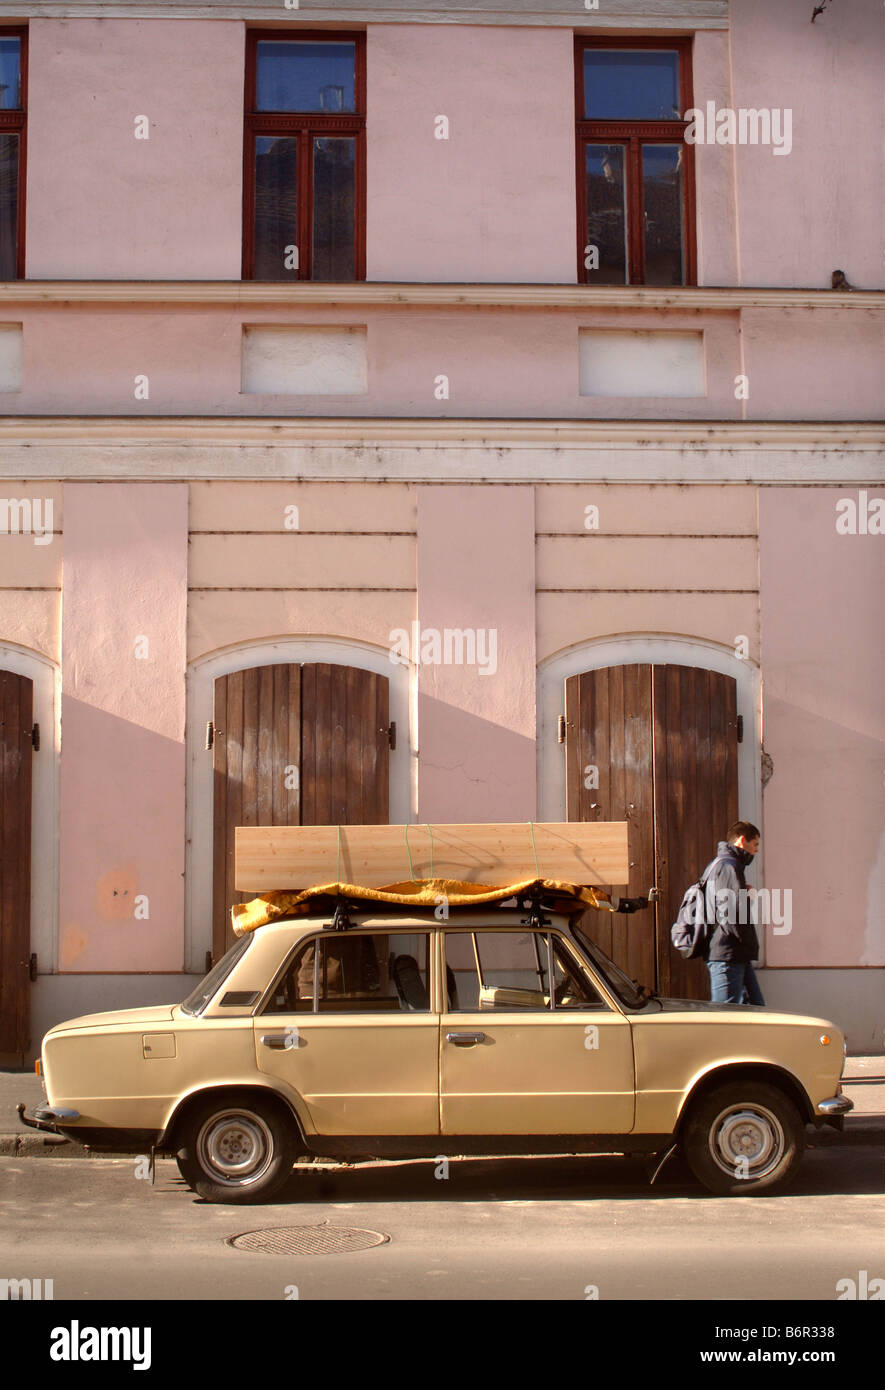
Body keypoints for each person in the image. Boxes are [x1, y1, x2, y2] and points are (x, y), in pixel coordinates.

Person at [703, 820, 765, 1005]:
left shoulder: (726, 865)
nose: (756, 850)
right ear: (742, 840)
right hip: (728, 953)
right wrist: (745, 897)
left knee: (756, 1011)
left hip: (735, 954)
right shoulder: (728, 866)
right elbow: (731, 913)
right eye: (755, 844)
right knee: (726, 1017)